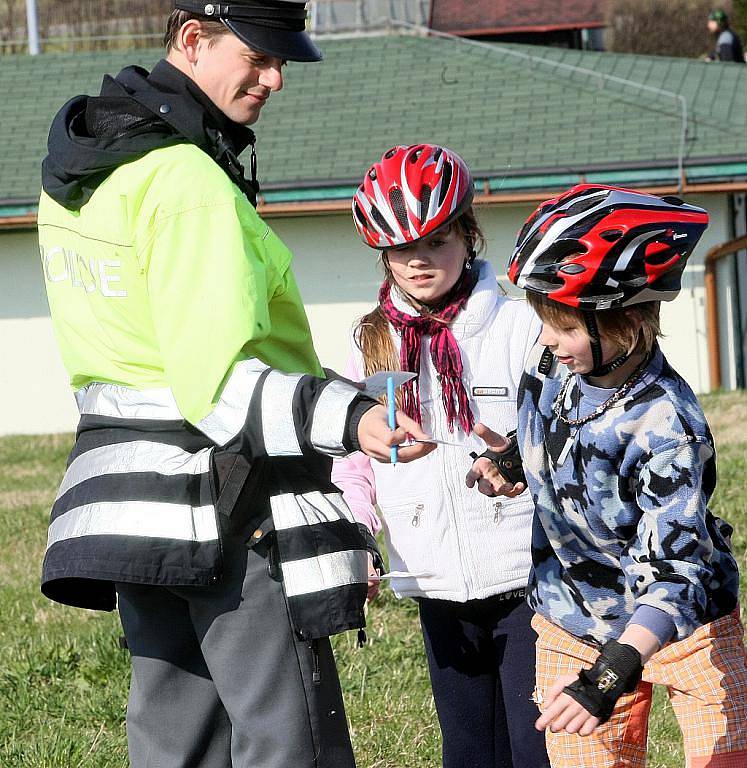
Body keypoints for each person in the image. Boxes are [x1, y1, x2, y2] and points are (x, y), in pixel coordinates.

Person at [37, 4, 433, 767]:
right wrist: (353, 418)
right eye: (258, 57)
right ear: (192, 38)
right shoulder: (189, 183)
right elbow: (216, 387)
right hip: (226, 499)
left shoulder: (87, 168)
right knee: (288, 741)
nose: (275, 78)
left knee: (174, 738)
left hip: (126, 502)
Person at [466, 184, 747, 768]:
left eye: (566, 326)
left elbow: (676, 571)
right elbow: (553, 428)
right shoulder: (552, 362)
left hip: (681, 615)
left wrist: (612, 673)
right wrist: (515, 460)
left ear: (629, 321)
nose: (548, 340)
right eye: (545, 321)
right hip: (574, 610)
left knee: (725, 754)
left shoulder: (667, 426)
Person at [331, 144, 549, 768]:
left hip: (521, 573)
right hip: (432, 573)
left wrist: (514, 460)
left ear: (469, 235)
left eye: (437, 242)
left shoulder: (516, 327)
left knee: (535, 746)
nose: (420, 261)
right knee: (469, 749)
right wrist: (357, 531)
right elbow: (354, 457)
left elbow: (557, 431)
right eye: (402, 250)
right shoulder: (369, 340)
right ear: (383, 253)